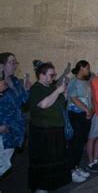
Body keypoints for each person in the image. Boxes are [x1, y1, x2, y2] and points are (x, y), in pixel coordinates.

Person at [28, 61, 72, 192]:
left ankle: (53, 184)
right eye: (51, 75)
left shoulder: (52, 88)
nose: (53, 78)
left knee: (55, 158)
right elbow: (43, 105)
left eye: (54, 75)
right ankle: (41, 186)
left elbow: (60, 104)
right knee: (44, 160)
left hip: (56, 129)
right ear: (41, 75)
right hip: (43, 131)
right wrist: (58, 90)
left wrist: (64, 93)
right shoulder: (36, 88)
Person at [0, 52, 30, 177]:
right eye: (12, 62)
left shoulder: (15, 81)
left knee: (5, 163)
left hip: (15, 128)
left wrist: (27, 91)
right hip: (3, 129)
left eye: (16, 63)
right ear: (1, 65)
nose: (15, 65)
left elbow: (21, 102)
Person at [66, 60, 93, 180]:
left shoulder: (86, 82)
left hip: (84, 115)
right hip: (76, 115)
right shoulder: (74, 82)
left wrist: (90, 110)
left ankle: (76, 166)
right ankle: (70, 170)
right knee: (75, 143)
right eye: (87, 68)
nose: (89, 70)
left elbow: (88, 98)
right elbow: (73, 98)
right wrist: (86, 109)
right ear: (81, 68)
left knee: (81, 142)